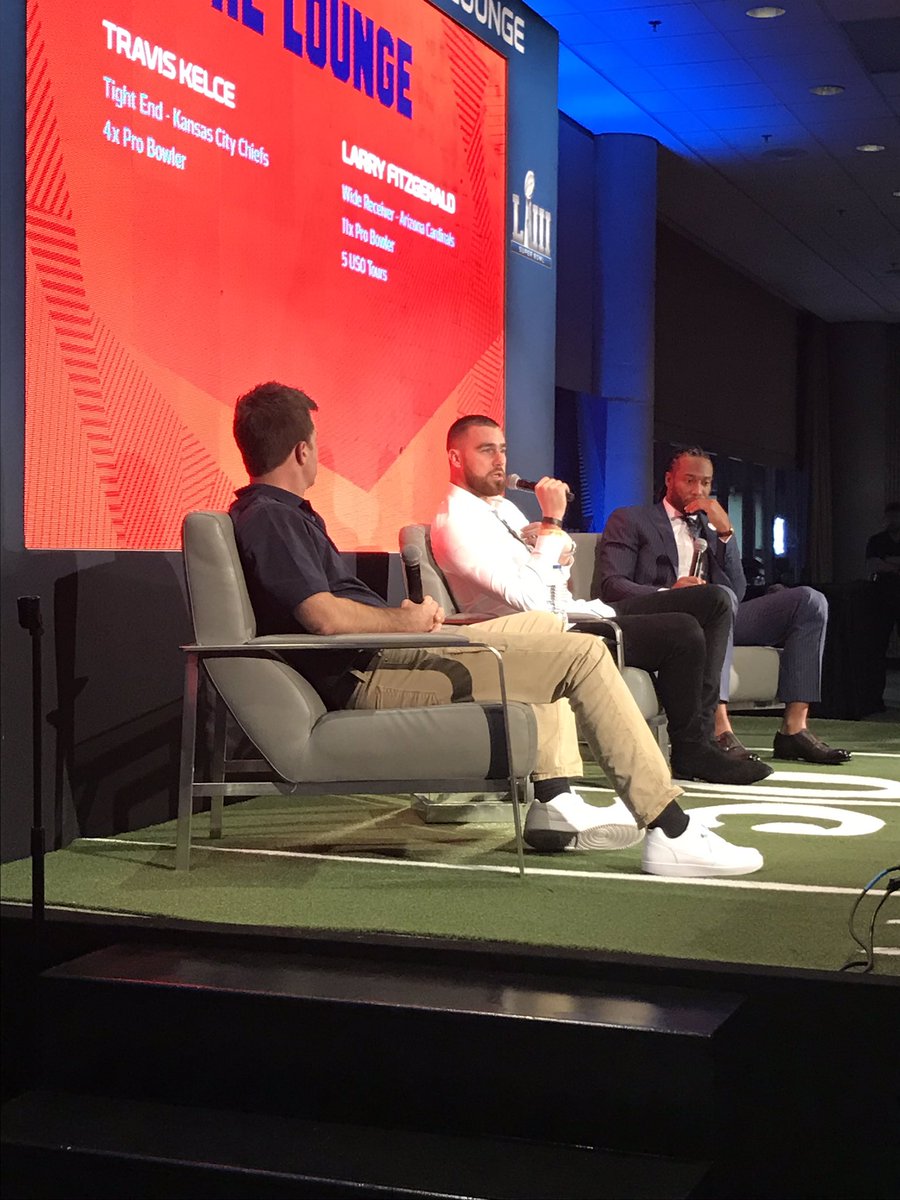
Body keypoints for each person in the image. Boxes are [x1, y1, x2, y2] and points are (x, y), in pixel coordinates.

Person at [228, 381, 764, 877]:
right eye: (316, 440)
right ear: (302, 450)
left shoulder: (287, 513)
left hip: (389, 650)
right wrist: (405, 620)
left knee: (549, 628)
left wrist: (422, 621)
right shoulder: (271, 517)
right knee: (581, 654)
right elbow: (323, 616)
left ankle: (554, 800)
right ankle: (670, 829)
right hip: (370, 670)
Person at [429, 415, 770, 787]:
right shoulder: (455, 523)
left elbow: (556, 584)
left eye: (503, 450)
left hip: (577, 612)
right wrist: (551, 523)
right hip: (547, 632)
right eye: (486, 450)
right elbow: (531, 602)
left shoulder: (503, 510)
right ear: (456, 458)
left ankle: (704, 740)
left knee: (713, 600)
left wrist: (559, 551)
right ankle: (693, 749)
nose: (500, 461)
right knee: (683, 630)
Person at [598, 448, 851, 766]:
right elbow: (613, 585)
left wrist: (726, 533)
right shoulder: (631, 519)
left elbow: (739, 591)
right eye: (690, 481)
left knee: (810, 601)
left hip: (720, 612)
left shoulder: (710, 529)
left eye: (705, 483)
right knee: (721, 598)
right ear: (669, 479)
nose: (698, 490)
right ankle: (719, 727)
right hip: (665, 617)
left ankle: (794, 729)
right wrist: (668, 592)